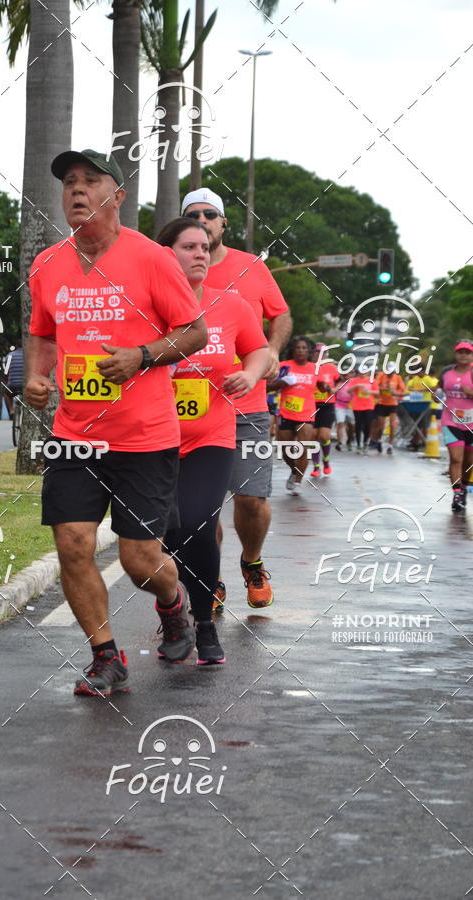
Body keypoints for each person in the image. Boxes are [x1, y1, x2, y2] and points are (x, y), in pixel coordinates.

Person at [26, 149, 208, 696]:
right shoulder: (48, 264)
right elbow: (42, 334)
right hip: (74, 434)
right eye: (69, 183)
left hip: (144, 437)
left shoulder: (152, 258)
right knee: (72, 543)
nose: (77, 190)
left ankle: (173, 605)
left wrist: (142, 356)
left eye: (90, 181)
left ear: (118, 195)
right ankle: (106, 657)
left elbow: (195, 332)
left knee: (139, 560)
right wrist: (35, 376)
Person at [157, 218, 270, 651]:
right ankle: (174, 614)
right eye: (189, 247)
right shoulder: (142, 306)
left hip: (212, 435)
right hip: (152, 437)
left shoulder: (232, 305)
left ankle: (203, 624)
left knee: (198, 524)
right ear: (166, 255)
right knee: (166, 535)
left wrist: (250, 374)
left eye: (205, 247)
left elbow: (258, 350)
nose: (201, 254)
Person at [181, 188, 292, 609]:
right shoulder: (170, 269)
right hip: (189, 409)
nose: (203, 220)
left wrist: (272, 350)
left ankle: (252, 561)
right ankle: (210, 579)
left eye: (210, 214)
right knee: (203, 508)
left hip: (246, 406)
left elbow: (281, 314)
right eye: (194, 214)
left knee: (251, 499)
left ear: (224, 222)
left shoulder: (251, 267)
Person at [268, 336, 317, 495]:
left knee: (303, 448)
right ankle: (295, 471)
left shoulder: (315, 369)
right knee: (285, 451)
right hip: (286, 413)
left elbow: (325, 386)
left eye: (304, 348)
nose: (301, 351)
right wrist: (282, 383)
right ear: (293, 350)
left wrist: (325, 387)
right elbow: (267, 387)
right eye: (298, 348)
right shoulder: (284, 366)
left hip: (307, 414)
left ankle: (297, 483)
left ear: (308, 351)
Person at [438, 340, 473, 511]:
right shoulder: (446, 372)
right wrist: (436, 395)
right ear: (455, 354)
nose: (463, 355)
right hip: (450, 421)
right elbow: (439, 389)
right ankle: (457, 494)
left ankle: (464, 487)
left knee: (469, 461)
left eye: (467, 352)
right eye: (460, 352)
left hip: (471, 424)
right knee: (456, 458)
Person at [311, 343, 339, 477]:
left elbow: (341, 382)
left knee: (324, 436)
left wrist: (334, 389)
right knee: (313, 437)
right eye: (319, 353)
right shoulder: (309, 367)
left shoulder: (332, 368)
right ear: (314, 354)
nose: (322, 356)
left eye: (325, 353)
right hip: (311, 406)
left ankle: (326, 461)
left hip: (327, 406)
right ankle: (316, 466)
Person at [369, 363, 405, 454]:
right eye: (388, 372)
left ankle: (390, 446)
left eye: (392, 372)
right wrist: (383, 388)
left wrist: (395, 392)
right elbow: (375, 386)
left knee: (392, 425)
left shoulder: (398, 377)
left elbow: (403, 389)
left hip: (393, 404)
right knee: (381, 426)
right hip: (382, 403)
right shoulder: (381, 375)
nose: (390, 374)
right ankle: (379, 440)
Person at [346, 371, 379, 453]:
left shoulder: (372, 380)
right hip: (357, 406)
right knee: (358, 424)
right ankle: (358, 444)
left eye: (364, 372)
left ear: (367, 373)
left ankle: (365, 443)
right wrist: (356, 386)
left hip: (369, 405)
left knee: (368, 424)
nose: (362, 374)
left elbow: (377, 392)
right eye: (361, 372)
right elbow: (348, 390)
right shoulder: (354, 380)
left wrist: (369, 392)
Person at [334, 367, 355, 451]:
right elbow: (333, 391)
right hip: (339, 405)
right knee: (340, 423)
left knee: (351, 426)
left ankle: (349, 440)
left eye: (349, 373)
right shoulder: (338, 383)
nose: (346, 375)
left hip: (351, 406)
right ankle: (339, 443)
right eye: (345, 373)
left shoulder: (354, 383)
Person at [3, 342, 24, 418]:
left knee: (7, 394)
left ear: (16, 346)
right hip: (25, 386)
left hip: (12, 385)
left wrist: (7, 381)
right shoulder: (29, 356)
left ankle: (11, 410)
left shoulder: (9, 356)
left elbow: (6, 373)